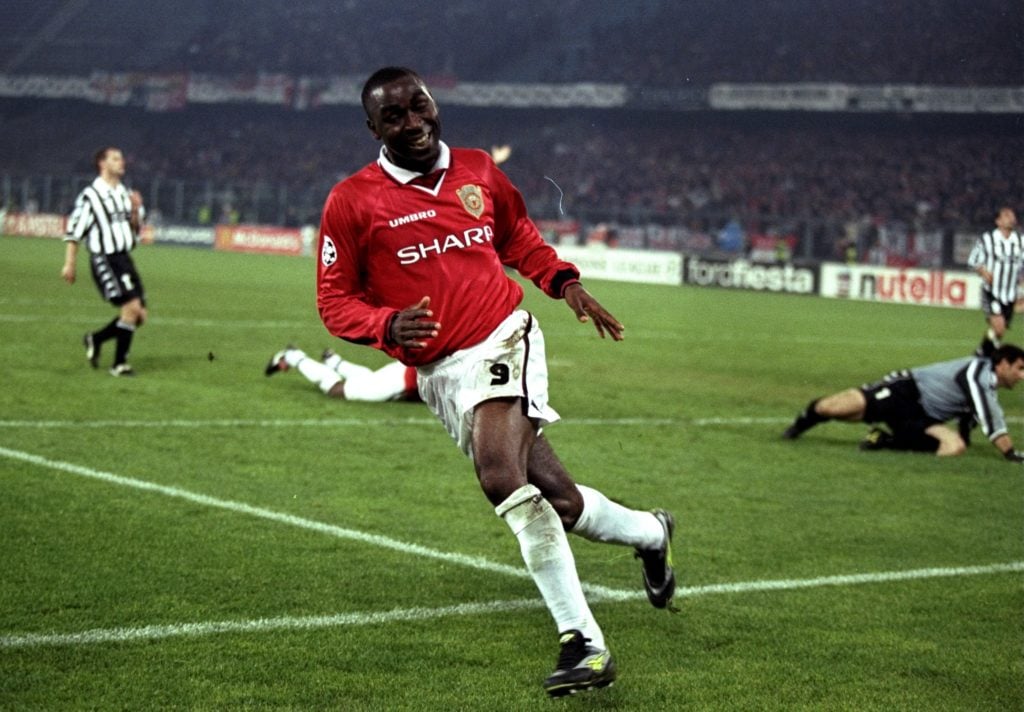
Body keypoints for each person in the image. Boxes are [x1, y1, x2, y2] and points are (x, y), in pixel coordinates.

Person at [315, 67, 675, 697]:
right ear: (372, 127)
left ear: (434, 105)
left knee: (500, 477)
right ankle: (652, 531)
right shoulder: (353, 201)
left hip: (503, 336)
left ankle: (584, 644)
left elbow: (517, 237)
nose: (413, 122)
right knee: (557, 501)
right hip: (440, 373)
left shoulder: (479, 170)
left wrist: (565, 282)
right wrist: (384, 325)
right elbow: (334, 299)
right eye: (394, 115)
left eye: (419, 106)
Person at [782, 345, 1024, 462]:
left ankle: (883, 440)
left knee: (954, 447)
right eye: (1020, 369)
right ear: (1002, 364)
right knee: (832, 408)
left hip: (922, 416)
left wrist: (964, 436)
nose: (1022, 376)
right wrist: (1010, 453)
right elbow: (989, 415)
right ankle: (800, 425)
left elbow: (971, 414)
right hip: (904, 391)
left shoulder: (987, 385)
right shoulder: (976, 372)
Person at [61, 146, 146, 376]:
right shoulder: (91, 195)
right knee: (131, 308)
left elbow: (135, 230)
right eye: (115, 158)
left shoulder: (125, 193)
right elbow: (74, 231)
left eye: (122, 158)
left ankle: (95, 339)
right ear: (102, 163)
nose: (122, 162)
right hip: (104, 258)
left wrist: (136, 210)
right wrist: (70, 263)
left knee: (139, 315)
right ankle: (119, 365)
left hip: (124, 258)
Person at [264, 346, 420, 402]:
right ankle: (293, 357)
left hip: (406, 372)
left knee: (370, 380)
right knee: (336, 390)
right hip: (403, 381)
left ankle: (333, 362)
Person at [967, 207, 1023, 355]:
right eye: (1006, 215)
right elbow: (972, 261)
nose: (1010, 218)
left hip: (1010, 294)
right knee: (999, 326)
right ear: (998, 221)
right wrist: (983, 271)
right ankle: (990, 356)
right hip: (991, 291)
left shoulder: (1020, 241)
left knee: (999, 332)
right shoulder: (987, 239)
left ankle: (982, 352)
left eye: (1012, 215)